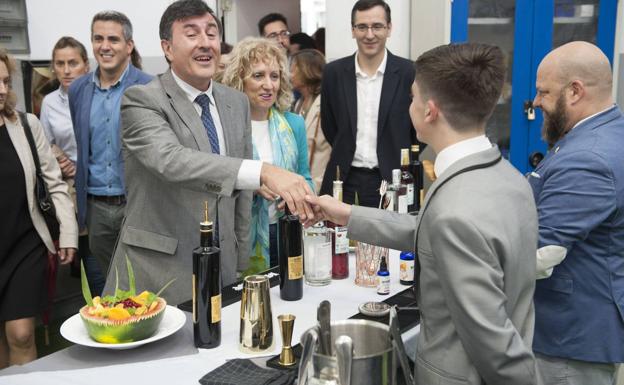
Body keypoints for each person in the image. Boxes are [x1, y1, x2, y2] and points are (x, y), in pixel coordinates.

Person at [306, 43, 540, 385]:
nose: (408, 105)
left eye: (412, 97)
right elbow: (429, 231)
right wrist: (346, 214)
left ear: (429, 111)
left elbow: (495, 347)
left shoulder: (455, 211)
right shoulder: (510, 178)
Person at [104, 0, 314, 305]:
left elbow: (240, 196)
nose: (205, 43)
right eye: (191, 34)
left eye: (212, 33)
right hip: (158, 271)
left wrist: (240, 260)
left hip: (224, 268)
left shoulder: (235, 102)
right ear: (167, 48)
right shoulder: (142, 100)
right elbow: (171, 160)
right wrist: (263, 171)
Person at [529, 41, 624, 385]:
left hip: (569, 343)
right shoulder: (599, 134)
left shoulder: (590, 158)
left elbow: (540, 253)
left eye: (543, 92)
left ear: (574, 91)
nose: (536, 101)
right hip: (574, 333)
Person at [0, 49, 77, 368]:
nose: (2, 90)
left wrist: (69, 233)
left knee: (20, 334)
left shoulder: (27, 125)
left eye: (5, 81)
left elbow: (55, 182)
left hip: (25, 242)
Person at [68, 11, 152, 290]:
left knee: (142, 283)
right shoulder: (78, 89)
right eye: (98, 38)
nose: (105, 46)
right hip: (96, 208)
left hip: (137, 203)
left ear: (129, 45)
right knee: (113, 286)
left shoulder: (149, 87)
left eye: (113, 39)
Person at [221, 37, 313, 271]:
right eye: (258, 75)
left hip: (286, 230)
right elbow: (216, 181)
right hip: (239, 236)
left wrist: (300, 196)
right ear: (239, 80)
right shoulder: (226, 127)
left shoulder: (294, 124)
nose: (269, 85)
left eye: (274, 76)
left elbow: (305, 176)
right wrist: (250, 184)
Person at [320, 0, 417, 206]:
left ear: (389, 28)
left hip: (393, 180)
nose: (369, 34)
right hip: (344, 179)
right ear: (353, 30)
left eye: (377, 26)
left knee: (391, 239)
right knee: (337, 237)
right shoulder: (333, 73)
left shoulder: (410, 73)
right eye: (362, 27)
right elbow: (330, 127)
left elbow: (418, 132)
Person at [39, 36, 104, 294]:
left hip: (100, 182)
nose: (66, 70)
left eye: (72, 63)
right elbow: (43, 145)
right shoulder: (50, 103)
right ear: (53, 67)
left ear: (85, 65)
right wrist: (59, 159)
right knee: (90, 254)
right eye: (60, 63)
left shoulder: (98, 95)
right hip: (72, 189)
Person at [291, 49, 330, 193]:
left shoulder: (325, 104)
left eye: (294, 69)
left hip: (320, 182)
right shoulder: (297, 103)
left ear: (306, 71)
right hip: (300, 184)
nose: (290, 74)